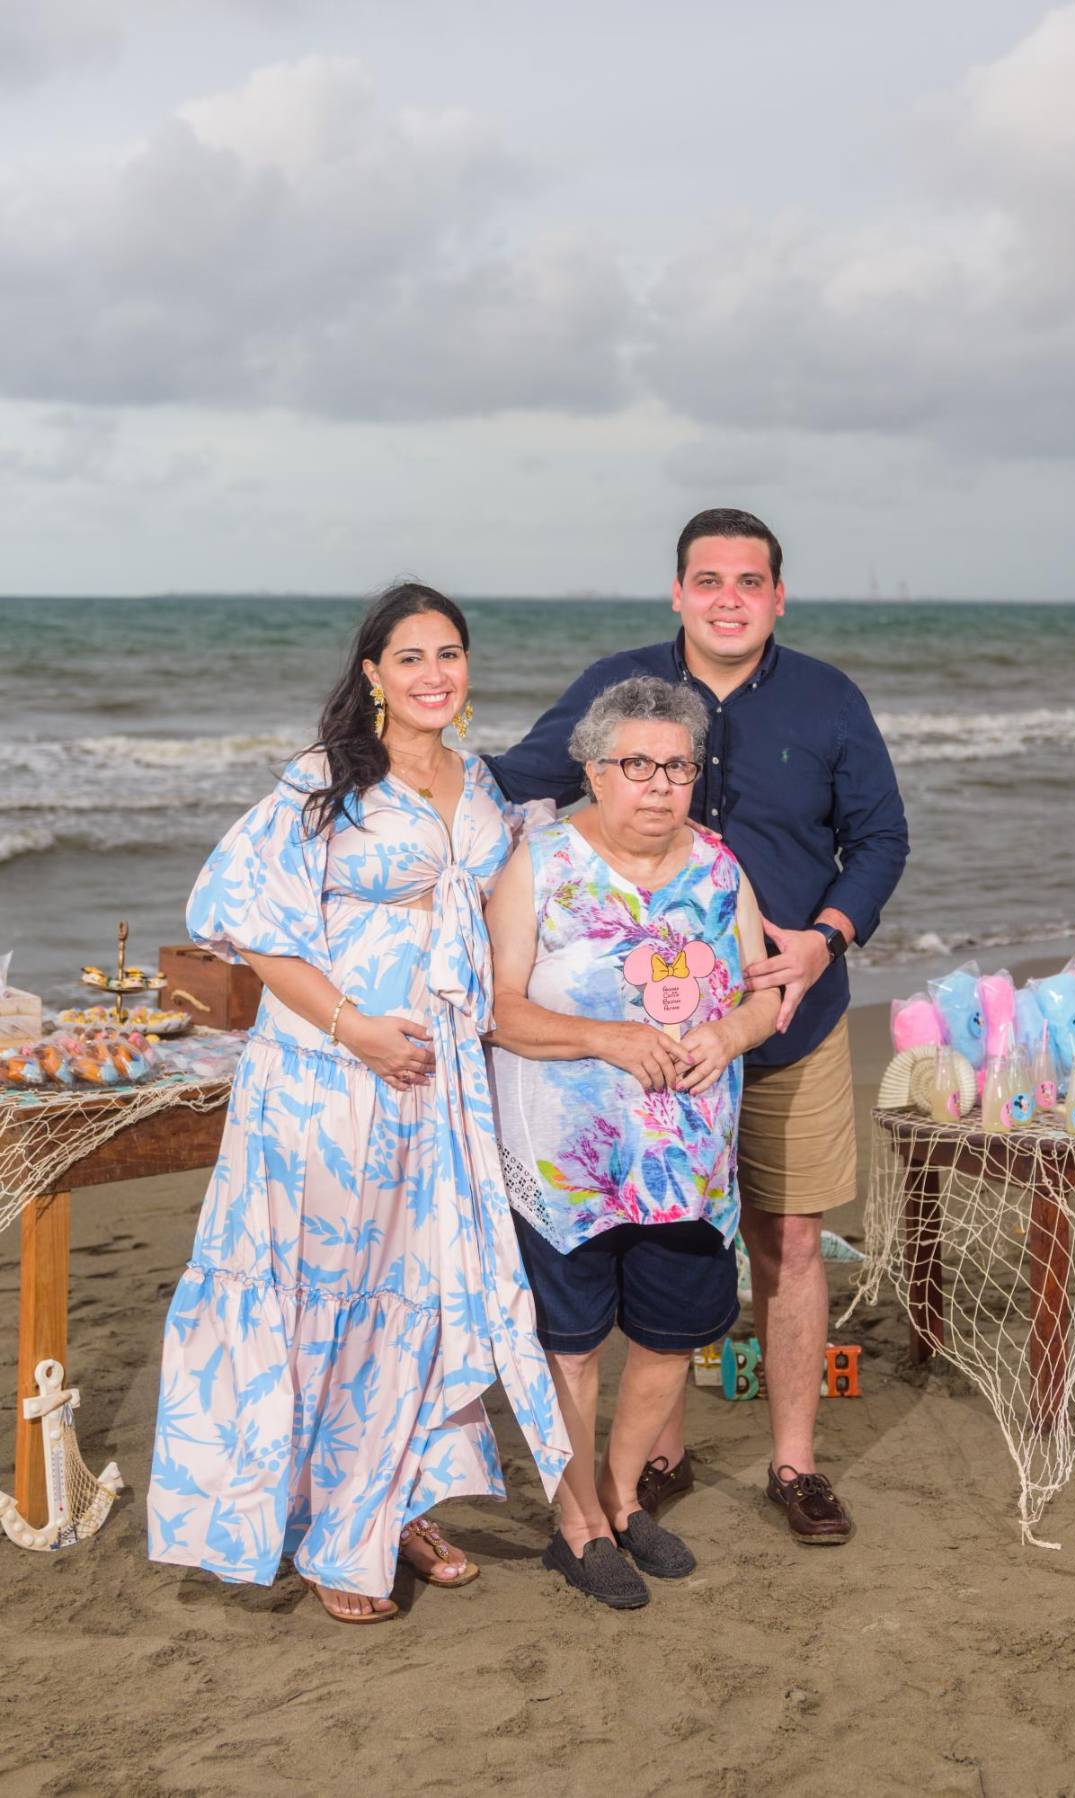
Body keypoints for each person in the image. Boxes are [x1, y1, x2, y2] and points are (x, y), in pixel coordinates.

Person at [148, 584, 569, 1624]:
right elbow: (251, 923)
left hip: (437, 1091)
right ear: (373, 673)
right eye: (411, 655)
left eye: (450, 653)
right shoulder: (324, 782)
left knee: (415, 1295)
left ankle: (394, 1504)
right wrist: (358, 1032)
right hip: (328, 1081)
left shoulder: (477, 784)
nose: (435, 672)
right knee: (316, 1292)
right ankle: (326, 1523)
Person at [486, 510, 908, 1545]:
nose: (728, 597)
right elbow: (514, 780)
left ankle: (795, 1462)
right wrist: (383, 778)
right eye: (707, 579)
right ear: (676, 592)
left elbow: (882, 836)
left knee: (790, 1236)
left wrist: (824, 937)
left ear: (777, 596)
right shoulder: (615, 689)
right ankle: (656, 1462)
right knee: (651, 1235)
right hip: (627, 1063)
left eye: (749, 581)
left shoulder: (829, 699)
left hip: (787, 1025)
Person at [485, 676, 779, 1607]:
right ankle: (575, 1526)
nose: (659, 785)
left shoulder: (721, 870)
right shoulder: (541, 863)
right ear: (593, 770)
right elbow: (497, 1012)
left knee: (663, 1337)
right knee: (570, 1344)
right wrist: (607, 1038)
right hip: (566, 1163)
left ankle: (621, 1501)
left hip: (688, 1162)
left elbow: (766, 994)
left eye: (678, 766)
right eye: (637, 765)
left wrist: (731, 1034)